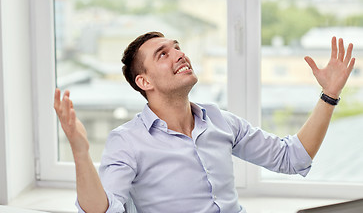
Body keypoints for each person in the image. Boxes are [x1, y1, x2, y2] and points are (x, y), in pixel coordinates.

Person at [54, 32, 355, 213]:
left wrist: (329, 94)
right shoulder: (128, 141)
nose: (179, 54)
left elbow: (293, 157)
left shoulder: (221, 120)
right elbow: (102, 210)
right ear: (144, 81)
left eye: (177, 47)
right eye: (163, 54)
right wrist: (81, 152)